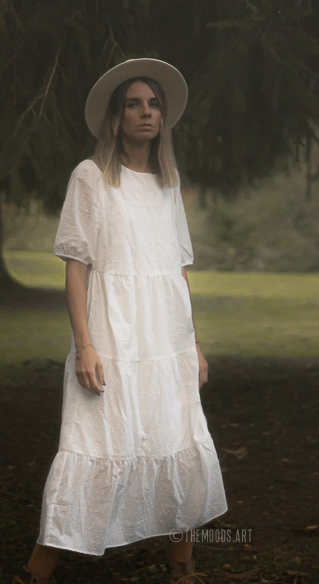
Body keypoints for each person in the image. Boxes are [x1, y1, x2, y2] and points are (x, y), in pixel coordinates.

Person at [16, 59, 227, 584]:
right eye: (135, 103)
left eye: (154, 104)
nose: (146, 113)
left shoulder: (168, 182)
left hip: (165, 339)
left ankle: (182, 571)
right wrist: (84, 344)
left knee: (174, 442)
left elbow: (177, 271)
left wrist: (193, 346)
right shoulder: (90, 178)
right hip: (110, 334)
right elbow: (76, 268)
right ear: (116, 116)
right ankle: (34, 575)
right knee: (96, 445)